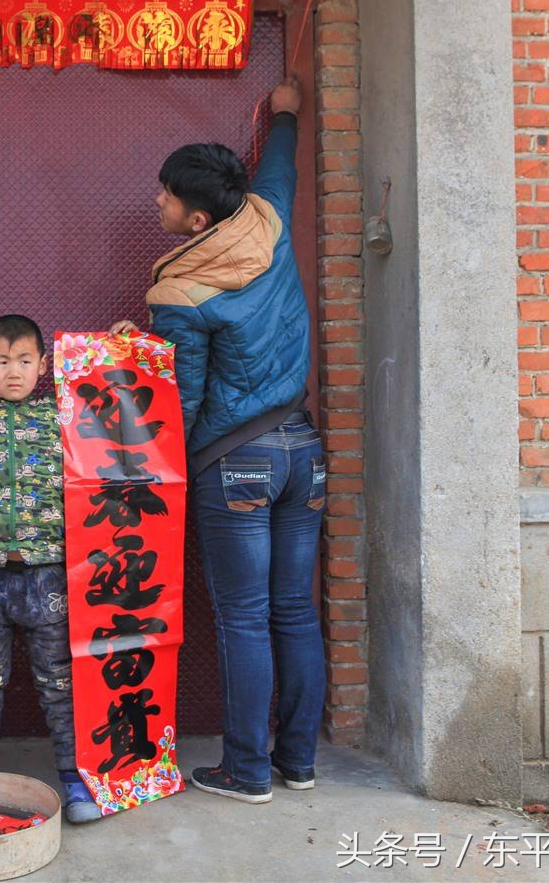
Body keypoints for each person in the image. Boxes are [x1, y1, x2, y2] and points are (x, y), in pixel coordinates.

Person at [110, 76, 324, 804]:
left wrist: (137, 363)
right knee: (293, 609)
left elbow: (183, 399)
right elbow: (279, 169)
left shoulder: (180, 293)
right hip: (303, 452)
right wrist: (285, 116)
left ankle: (246, 770)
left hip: (235, 465)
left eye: (167, 197)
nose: (157, 202)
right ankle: (297, 762)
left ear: (197, 219)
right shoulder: (267, 219)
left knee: (244, 618)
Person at [0, 315, 101, 824]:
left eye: (25, 360)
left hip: (47, 577)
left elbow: (117, 397)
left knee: (60, 683)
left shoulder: (63, 414)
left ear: (44, 365)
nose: (14, 371)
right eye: (3, 361)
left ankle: (76, 780)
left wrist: (123, 346)